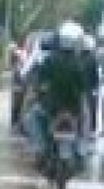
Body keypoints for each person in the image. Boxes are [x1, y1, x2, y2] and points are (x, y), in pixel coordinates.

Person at [24, 21, 88, 166]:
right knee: (86, 120)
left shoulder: (50, 60)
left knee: (30, 117)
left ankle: (39, 148)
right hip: (73, 109)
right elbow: (84, 88)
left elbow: (40, 82)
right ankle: (81, 150)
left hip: (51, 109)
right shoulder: (79, 63)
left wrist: (38, 92)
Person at [80, 33, 101, 137]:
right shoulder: (92, 60)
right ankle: (92, 128)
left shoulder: (77, 58)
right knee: (92, 106)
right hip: (88, 89)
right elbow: (96, 77)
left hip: (79, 89)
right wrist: (95, 88)